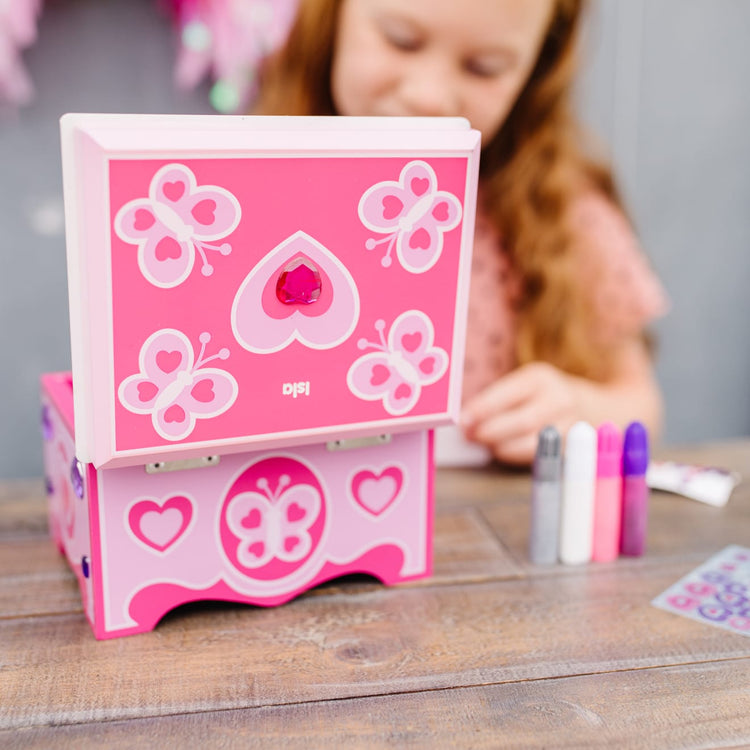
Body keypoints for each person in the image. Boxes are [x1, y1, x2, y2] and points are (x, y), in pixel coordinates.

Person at [254, 0, 668, 465]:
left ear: (535, 70)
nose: (430, 96)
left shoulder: (567, 217)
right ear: (331, 16)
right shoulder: (232, 203)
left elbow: (641, 404)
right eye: (400, 40)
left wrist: (580, 410)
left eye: (483, 68)